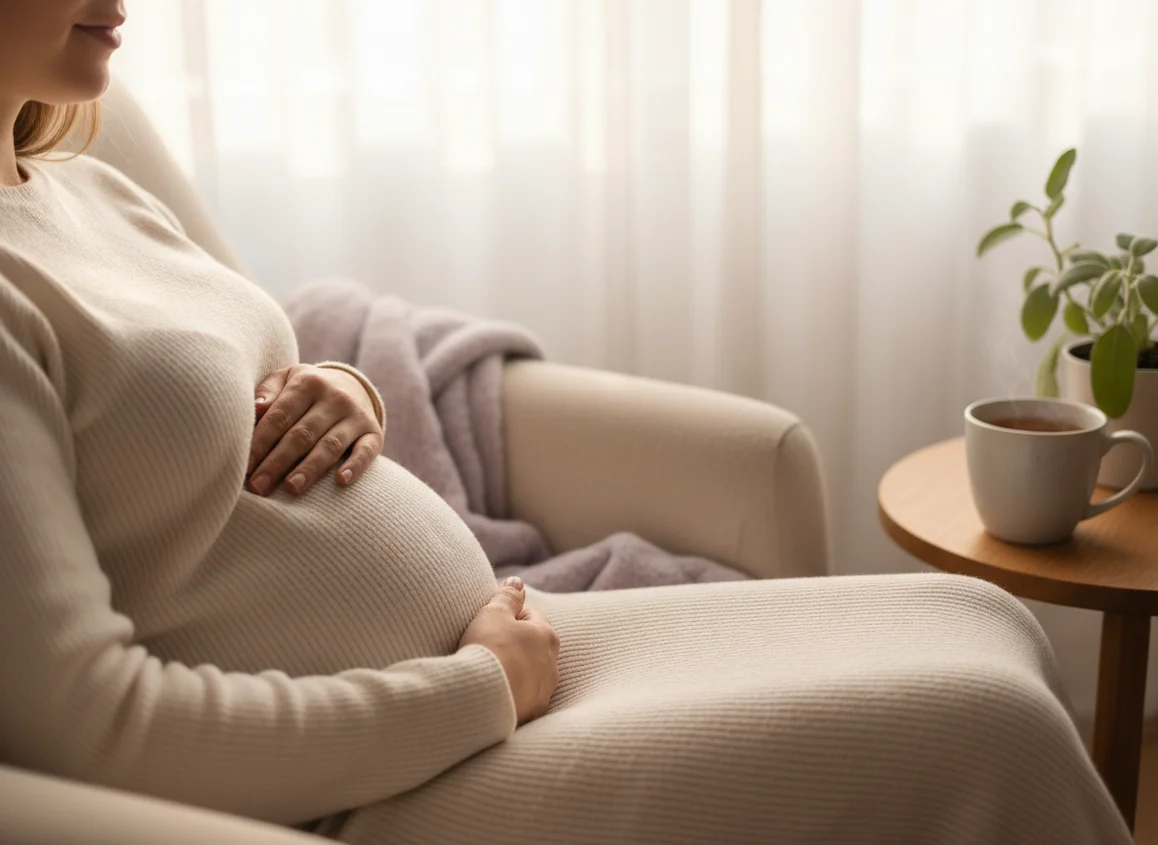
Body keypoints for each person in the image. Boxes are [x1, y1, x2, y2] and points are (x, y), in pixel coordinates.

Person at [0, 3, 1132, 844]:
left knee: (983, 620)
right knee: (988, 724)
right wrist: (479, 688)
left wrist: (348, 386)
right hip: (385, 770)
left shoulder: (82, 185)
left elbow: (231, 379)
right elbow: (94, 727)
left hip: (493, 666)